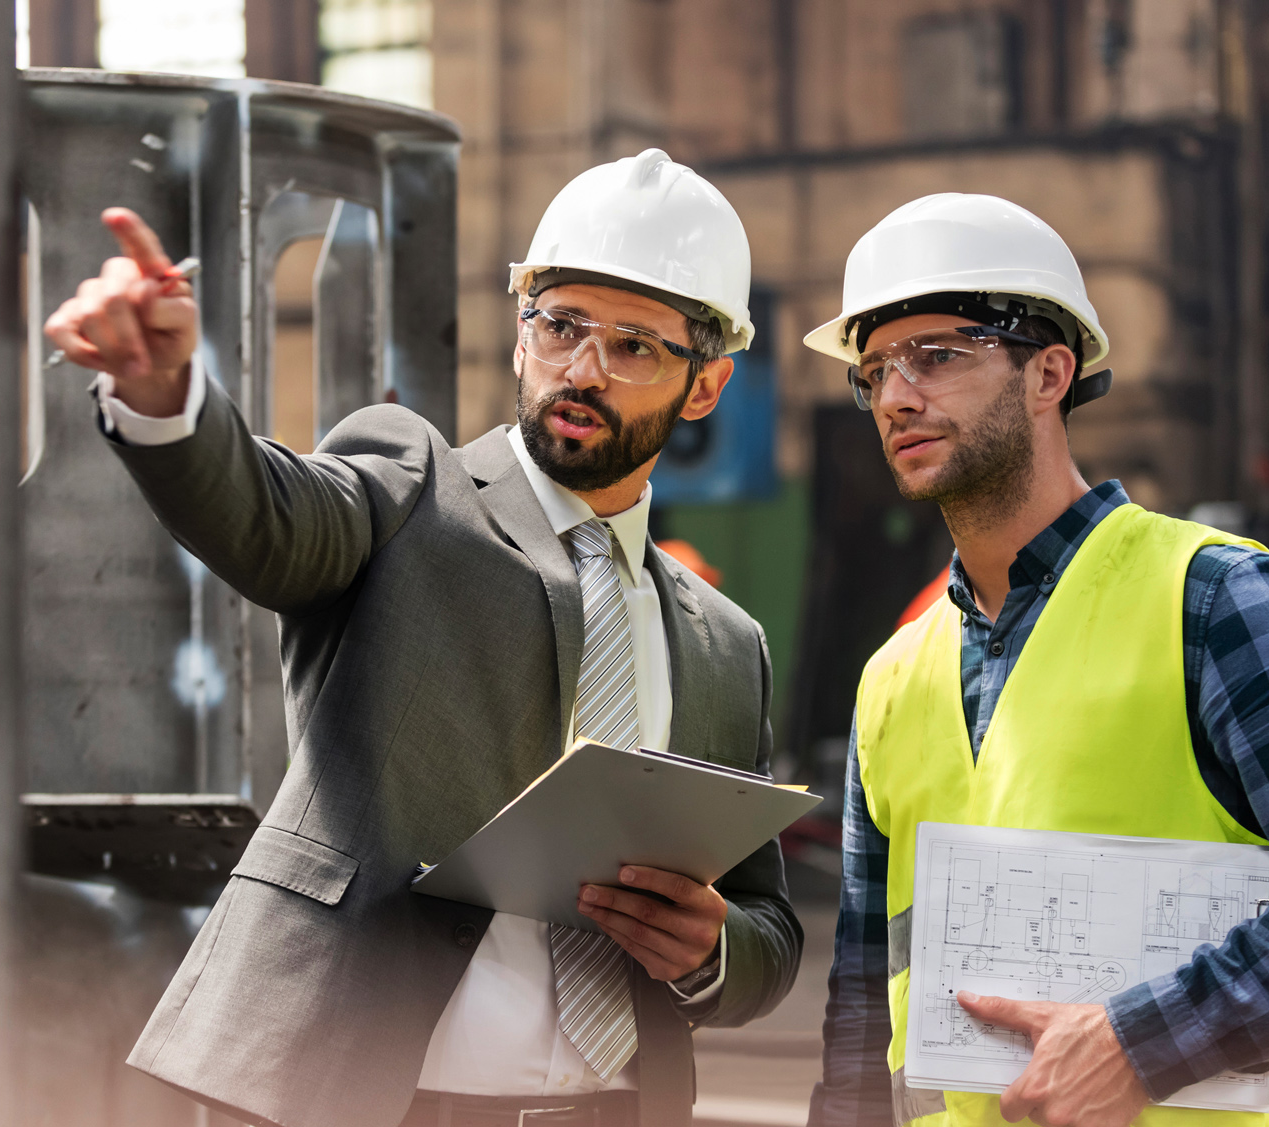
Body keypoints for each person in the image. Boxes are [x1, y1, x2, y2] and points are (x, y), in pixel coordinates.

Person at [43, 148, 800, 1127]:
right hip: (371, 1096)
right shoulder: (409, 490)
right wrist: (165, 401)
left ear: (704, 386)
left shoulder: (725, 643)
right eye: (560, 325)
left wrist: (711, 949)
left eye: (634, 346)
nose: (583, 368)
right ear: (521, 334)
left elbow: (767, 927)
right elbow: (264, 516)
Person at [798, 193, 1269, 1127]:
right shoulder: (891, 679)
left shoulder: (1214, 601)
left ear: (1050, 372)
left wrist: (1142, 1040)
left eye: (938, 355)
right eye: (874, 371)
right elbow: (866, 1011)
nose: (898, 395)